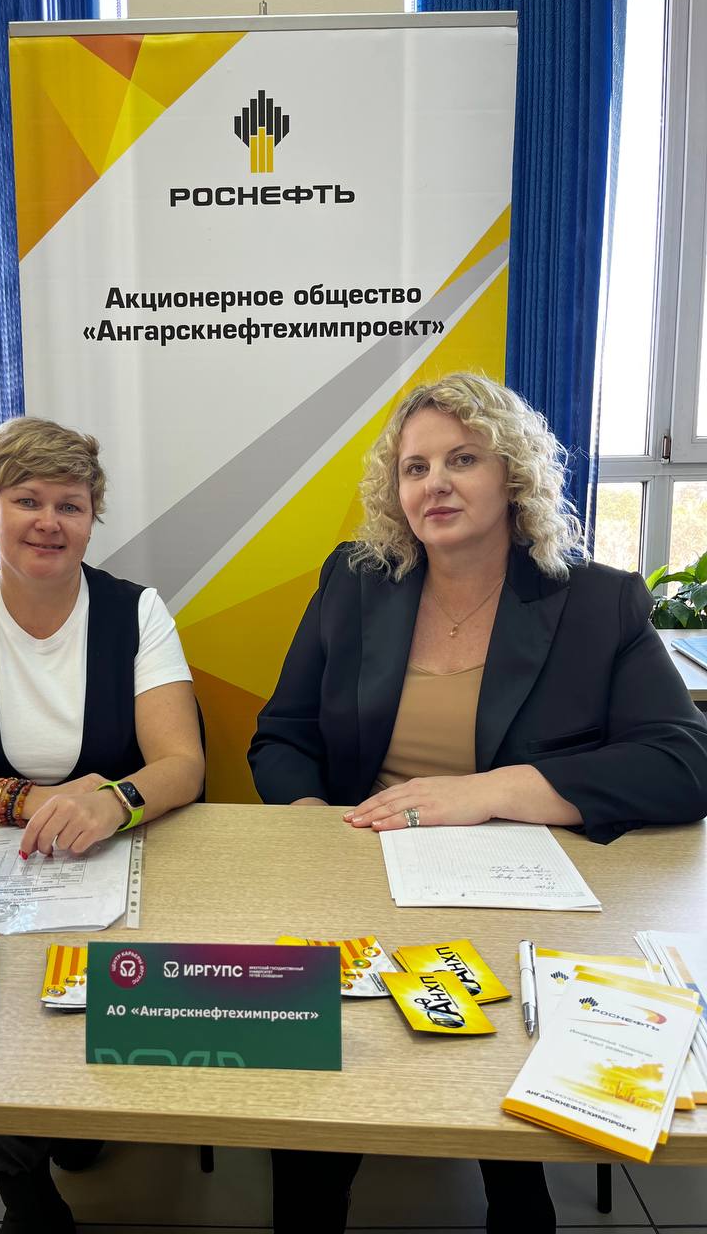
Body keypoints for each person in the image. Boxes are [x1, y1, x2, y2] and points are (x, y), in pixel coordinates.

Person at [249, 373, 707, 1234]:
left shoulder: (596, 600)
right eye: (415, 467)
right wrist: (317, 824)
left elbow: (685, 763)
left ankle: (514, 1186)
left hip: (514, 894)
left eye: (463, 459)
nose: (436, 483)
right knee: (315, 1112)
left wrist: (487, 793)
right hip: (360, 871)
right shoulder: (356, 581)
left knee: (507, 1119)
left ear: (513, 475)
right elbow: (282, 735)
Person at [0, 415, 205, 1233]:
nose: (49, 522)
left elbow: (182, 765)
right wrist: (26, 801)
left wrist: (114, 801)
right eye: (27, 500)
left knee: (97, 997)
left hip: (116, 864)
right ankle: (26, 1194)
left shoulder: (137, 612)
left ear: (92, 519)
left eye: (71, 504)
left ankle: (74, 1122)